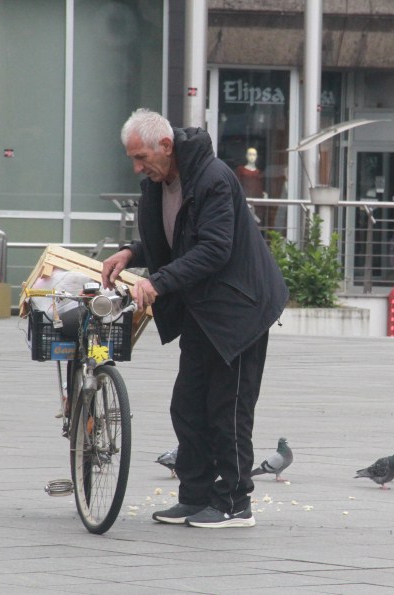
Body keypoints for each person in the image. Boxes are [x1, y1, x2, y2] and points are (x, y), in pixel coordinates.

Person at [102, 108, 289, 528]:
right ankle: (195, 496)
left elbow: (213, 248)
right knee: (188, 404)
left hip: (240, 309)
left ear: (166, 146)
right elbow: (171, 236)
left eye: (141, 157)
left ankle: (235, 504)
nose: (136, 166)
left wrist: (159, 282)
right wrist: (132, 252)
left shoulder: (213, 178)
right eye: (132, 158)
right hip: (202, 309)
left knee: (229, 408)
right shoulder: (158, 182)